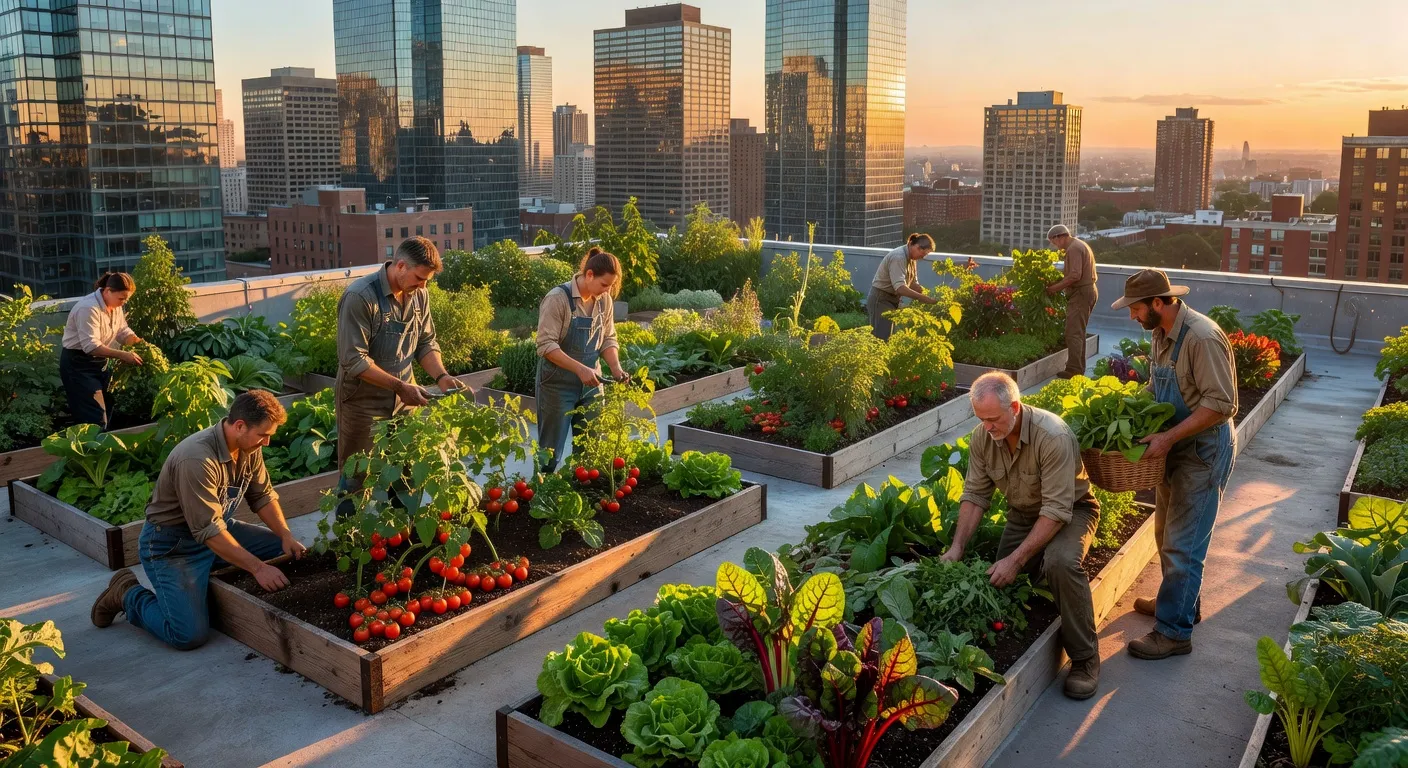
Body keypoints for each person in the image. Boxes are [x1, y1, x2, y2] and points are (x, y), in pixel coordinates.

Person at [89, 390, 307, 650]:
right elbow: (209, 530)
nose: (267, 442)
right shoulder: (197, 459)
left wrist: (285, 535)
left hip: (218, 531)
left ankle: (205, 584)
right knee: (188, 635)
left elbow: (261, 496)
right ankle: (127, 594)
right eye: (264, 435)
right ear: (240, 426)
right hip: (174, 547)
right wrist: (258, 568)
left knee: (283, 552)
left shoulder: (249, 447)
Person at [941, 371, 1102, 699]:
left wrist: (1016, 559)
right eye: (981, 419)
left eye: (993, 419)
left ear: (1014, 406)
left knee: (1060, 563)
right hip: (1024, 517)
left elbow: (1057, 510)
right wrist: (956, 548)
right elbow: (975, 495)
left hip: (1072, 512)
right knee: (997, 581)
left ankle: (1086, 659)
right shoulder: (982, 437)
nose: (988, 427)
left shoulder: (1051, 436)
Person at [1112, 269, 1237, 660]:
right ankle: (1182, 604)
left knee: (1184, 544)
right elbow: (1160, 386)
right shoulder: (1160, 333)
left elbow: (1221, 405)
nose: (1133, 316)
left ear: (1159, 303)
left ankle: (1173, 633)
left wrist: (1166, 437)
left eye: (1135, 309)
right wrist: (1131, 407)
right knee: (1167, 533)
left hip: (1202, 450)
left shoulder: (1201, 337)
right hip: (1175, 448)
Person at [334, 236, 465, 486]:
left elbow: (426, 343)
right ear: (401, 266)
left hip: (405, 402)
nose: (423, 286)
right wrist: (400, 387)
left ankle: (403, 525)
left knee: (408, 473)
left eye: (426, 281)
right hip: (363, 405)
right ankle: (350, 525)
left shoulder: (419, 295)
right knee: (357, 477)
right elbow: (353, 360)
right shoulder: (360, 297)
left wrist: (442, 377)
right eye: (419, 278)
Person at [536, 246, 631, 471]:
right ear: (589, 275)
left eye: (610, 286)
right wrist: (580, 369)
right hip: (557, 386)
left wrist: (616, 369)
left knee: (590, 452)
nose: (607, 290)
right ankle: (544, 496)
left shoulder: (603, 300)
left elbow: (608, 338)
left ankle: (583, 497)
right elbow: (545, 345)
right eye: (604, 284)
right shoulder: (558, 299)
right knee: (550, 455)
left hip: (592, 386)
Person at [59, 272, 145, 430]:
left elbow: (122, 331)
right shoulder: (88, 308)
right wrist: (124, 355)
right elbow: (90, 346)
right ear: (107, 291)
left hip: (101, 361)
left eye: (126, 299)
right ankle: (91, 451)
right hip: (78, 364)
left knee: (109, 405)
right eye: (121, 298)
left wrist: (138, 342)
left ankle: (101, 448)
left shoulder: (114, 306)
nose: (123, 302)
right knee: (94, 416)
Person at [1044, 224, 1098, 379]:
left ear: (1060, 236)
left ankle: (1074, 369)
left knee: (1073, 332)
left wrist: (1054, 288)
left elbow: (1075, 275)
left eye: (1053, 241)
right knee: (1078, 331)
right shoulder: (1079, 244)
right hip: (1086, 291)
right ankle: (1078, 368)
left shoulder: (1074, 248)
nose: (1054, 245)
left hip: (1081, 293)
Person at [868, 233, 939, 340]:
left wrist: (931, 295)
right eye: (922, 252)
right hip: (881, 299)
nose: (922, 257)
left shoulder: (912, 259)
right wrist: (924, 298)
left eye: (925, 255)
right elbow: (900, 287)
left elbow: (914, 284)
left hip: (892, 300)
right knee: (880, 339)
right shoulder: (899, 257)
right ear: (912, 244)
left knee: (888, 336)